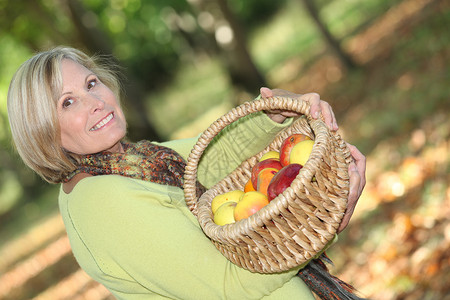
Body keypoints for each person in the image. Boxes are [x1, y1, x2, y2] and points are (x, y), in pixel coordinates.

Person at [7, 47, 366, 300]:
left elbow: (207, 159)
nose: (95, 102)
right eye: (67, 102)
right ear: (43, 131)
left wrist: (273, 113)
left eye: (90, 84)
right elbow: (228, 287)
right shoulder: (99, 203)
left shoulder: (134, 162)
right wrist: (324, 222)